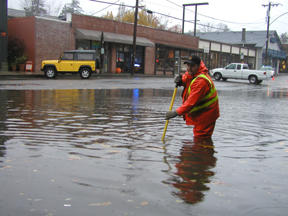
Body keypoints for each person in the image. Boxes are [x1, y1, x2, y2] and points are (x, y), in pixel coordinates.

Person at [165, 56, 220, 138]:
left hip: (206, 115)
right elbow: (187, 78)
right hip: (201, 113)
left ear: (198, 66)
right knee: (199, 140)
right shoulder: (193, 73)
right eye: (188, 65)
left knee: (201, 138)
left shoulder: (202, 81)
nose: (189, 68)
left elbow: (191, 103)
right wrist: (181, 81)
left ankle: (203, 150)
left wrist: (176, 113)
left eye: (192, 66)